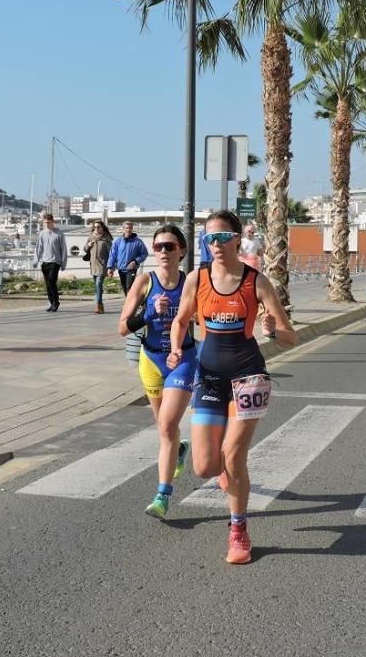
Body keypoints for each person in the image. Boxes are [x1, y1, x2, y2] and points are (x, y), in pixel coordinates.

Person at [168, 210, 298, 565]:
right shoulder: (198, 278)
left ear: (238, 239)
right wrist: (177, 348)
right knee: (205, 467)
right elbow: (181, 320)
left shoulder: (256, 282)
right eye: (210, 238)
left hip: (249, 376)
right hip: (209, 377)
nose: (216, 244)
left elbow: (290, 337)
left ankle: (238, 529)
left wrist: (272, 329)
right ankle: (227, 476)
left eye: (223, 237)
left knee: (233, 454)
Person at [118, 224, 196, 519]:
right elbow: (123, 327)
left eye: (170, 246)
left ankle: (162, 496)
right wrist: (149, 313)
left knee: (165, 427)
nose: (163, 251)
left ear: (182, 250)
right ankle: (177, 451)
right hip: (150, 361)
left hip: (183, 359)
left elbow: (206, 316)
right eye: (158, 246)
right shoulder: (144, 282)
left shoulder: (191, 283)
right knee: (166, 429)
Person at [33, 213, 67, 312]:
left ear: (53, 222)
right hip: (45, 262)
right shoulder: (42, 234)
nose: (47, 224)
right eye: (45, 223)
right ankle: (52, 302)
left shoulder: (59, 234)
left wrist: (63, 263)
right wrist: (36, 260)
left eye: (48, 222)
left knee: (52, 280)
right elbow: (38, 248)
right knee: (48, 284)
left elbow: (63, 249)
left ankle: (56, 302)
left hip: (55, 262)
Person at [107, 221, 148, 295]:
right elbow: (112, 255)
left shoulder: (138, 242)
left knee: (129, 287)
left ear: (132, 229)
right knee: (125, 288)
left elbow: (144, 253)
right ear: (123, 229)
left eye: (130, 228)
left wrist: (135, 261)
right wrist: (110, 267)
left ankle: (129, 305)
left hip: (131, 269)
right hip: (121, 268)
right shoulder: (118, 242)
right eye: (126, 228)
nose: (128, 230)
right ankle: (131, 303)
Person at [85, 220, 112, 314]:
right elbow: (85, 249)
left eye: (98, 227)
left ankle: (98, 306)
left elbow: (111, 253)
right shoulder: (91, 237)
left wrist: (111, 266)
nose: (96, 228)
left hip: (103, 265)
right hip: (93, 265)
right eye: (95, 227)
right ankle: (100, 305)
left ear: (102, 228)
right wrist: (88, 245)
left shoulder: (106, 238)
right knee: (97, 286)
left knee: (98, 284)